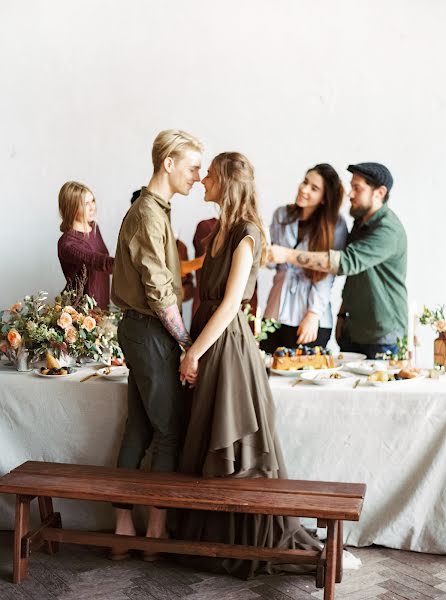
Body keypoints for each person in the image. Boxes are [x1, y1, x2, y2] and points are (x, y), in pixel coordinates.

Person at [177, 152, 320, 578]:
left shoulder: (248, 232)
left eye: (209, 175)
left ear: (226, 181)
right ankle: (211, 540)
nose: (202, 180)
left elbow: (229, 305)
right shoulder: (217, 228)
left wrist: (193, 352)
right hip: (207, 336)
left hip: (227, 346)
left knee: (235, 447)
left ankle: (244, 543)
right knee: (205, 436)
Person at [110, 129, 203, 556]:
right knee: (168, 431)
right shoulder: (148, 212)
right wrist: (187, 343)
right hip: (150, 332)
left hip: (143, 330)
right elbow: (159, 288)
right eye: (192, 167)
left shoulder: (154, 209)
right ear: (168, 163)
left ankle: (126, 531)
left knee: (140, 427)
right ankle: (152, 535)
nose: (198, 176)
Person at [269, 162, 408, 358]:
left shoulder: (387, 230)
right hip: (353, 330)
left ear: (379, 192)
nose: (350, 194)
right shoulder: (360, 223)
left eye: (357, 188)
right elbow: (357, 277)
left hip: (382, 335)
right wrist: (342, 315)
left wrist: (287, 255)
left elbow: (343, 263)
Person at [261, 164, 347, 354]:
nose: (304, 189)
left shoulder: (336, 225)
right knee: (266, 372)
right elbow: (271, 262)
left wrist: (313, 314)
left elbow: (328, 274)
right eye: (305, 182)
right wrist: (264, 252)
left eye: (314, 188)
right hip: (275, 310)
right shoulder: (281, 214)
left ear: (324, 198)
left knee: (302, 374)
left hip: (311, 316)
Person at [130, 188, 194, 302]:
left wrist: (176, 295)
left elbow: (189, 285)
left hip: (171, 311)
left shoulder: (179, 246)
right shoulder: (129, 244)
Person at [57, 181, 113, 308]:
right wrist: (134, 263)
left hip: (102, 305)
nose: (92, 207)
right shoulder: (67, 244)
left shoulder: (93, 228)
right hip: (81, 313)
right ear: (71, 208)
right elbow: (99, 262)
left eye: (92, 201)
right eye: (85, 203)